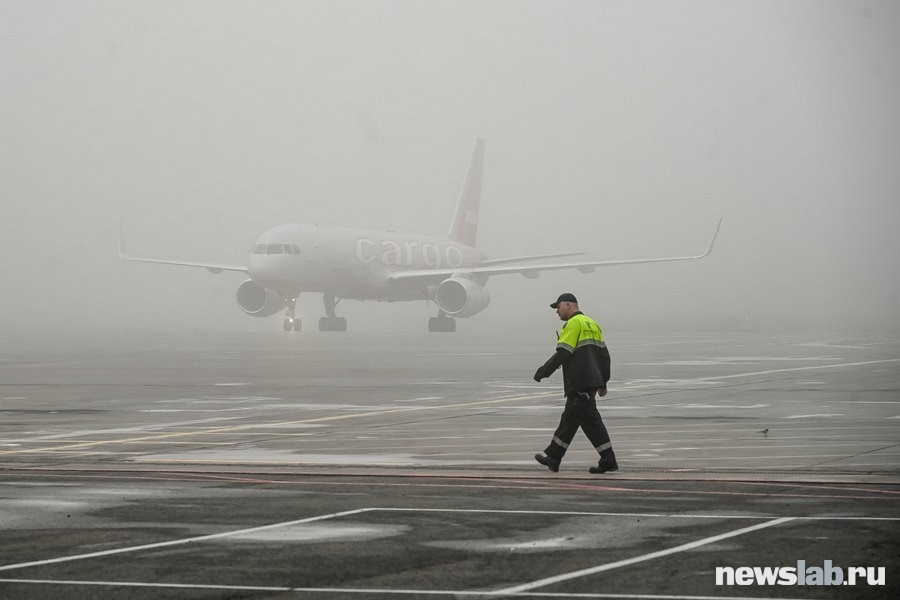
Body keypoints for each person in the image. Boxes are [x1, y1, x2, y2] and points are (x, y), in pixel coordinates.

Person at [532, 292, 618, 474]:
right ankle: (554, 458)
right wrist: (603, 382)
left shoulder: (573, 324)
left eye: (558, 307)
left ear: (569, 305)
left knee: (591, 422)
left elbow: (563, 353)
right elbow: (605, 356)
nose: (557, 312)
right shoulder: (592, 323)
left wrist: (543, 371)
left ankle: (609, 459)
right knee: (570, 419)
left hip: (580, 381)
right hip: (590, 381)